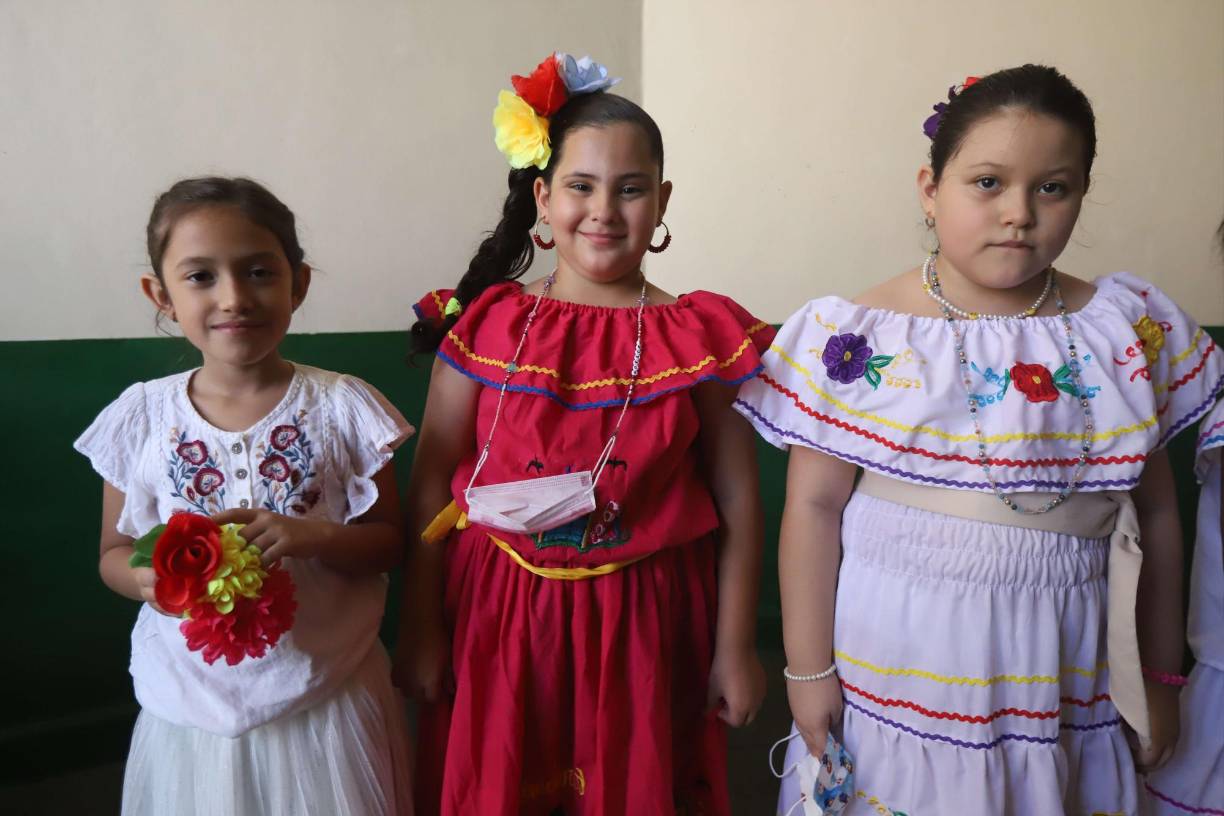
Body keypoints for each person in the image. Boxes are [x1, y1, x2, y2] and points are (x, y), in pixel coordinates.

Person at [735, 65, 1224, 813]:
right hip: (899, 650)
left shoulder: (1125, 329)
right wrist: (808, 674)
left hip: (1064, 654)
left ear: (1082, 193)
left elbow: (1155, 513)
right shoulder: (859, 336)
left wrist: (1159, 675)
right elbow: (813, 508)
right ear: (931, 190)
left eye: (1052, 188)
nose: (1019, 214)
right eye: (988, 183)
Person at [395, 53, 771, 814]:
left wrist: (736, 647)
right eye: (581, 186)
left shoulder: (697, 335)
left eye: (631, 189)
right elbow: (432, 479)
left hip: (646, 623)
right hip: (497, 617)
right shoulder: (490, 323)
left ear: (661, 200)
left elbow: (738, 498)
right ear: (543, 196)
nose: (604, 210)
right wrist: (421, 624)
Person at [75, 176, 414, 815]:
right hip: (190, 706)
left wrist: (316, 536)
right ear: (161, 295)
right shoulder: (141, 417)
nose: (234, 297)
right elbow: (113, 552)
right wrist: (148, 581)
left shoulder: (344, 406)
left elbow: (390, 544)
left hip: (327, 693)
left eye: (259, 272)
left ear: (298, 283)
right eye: (200, 277)